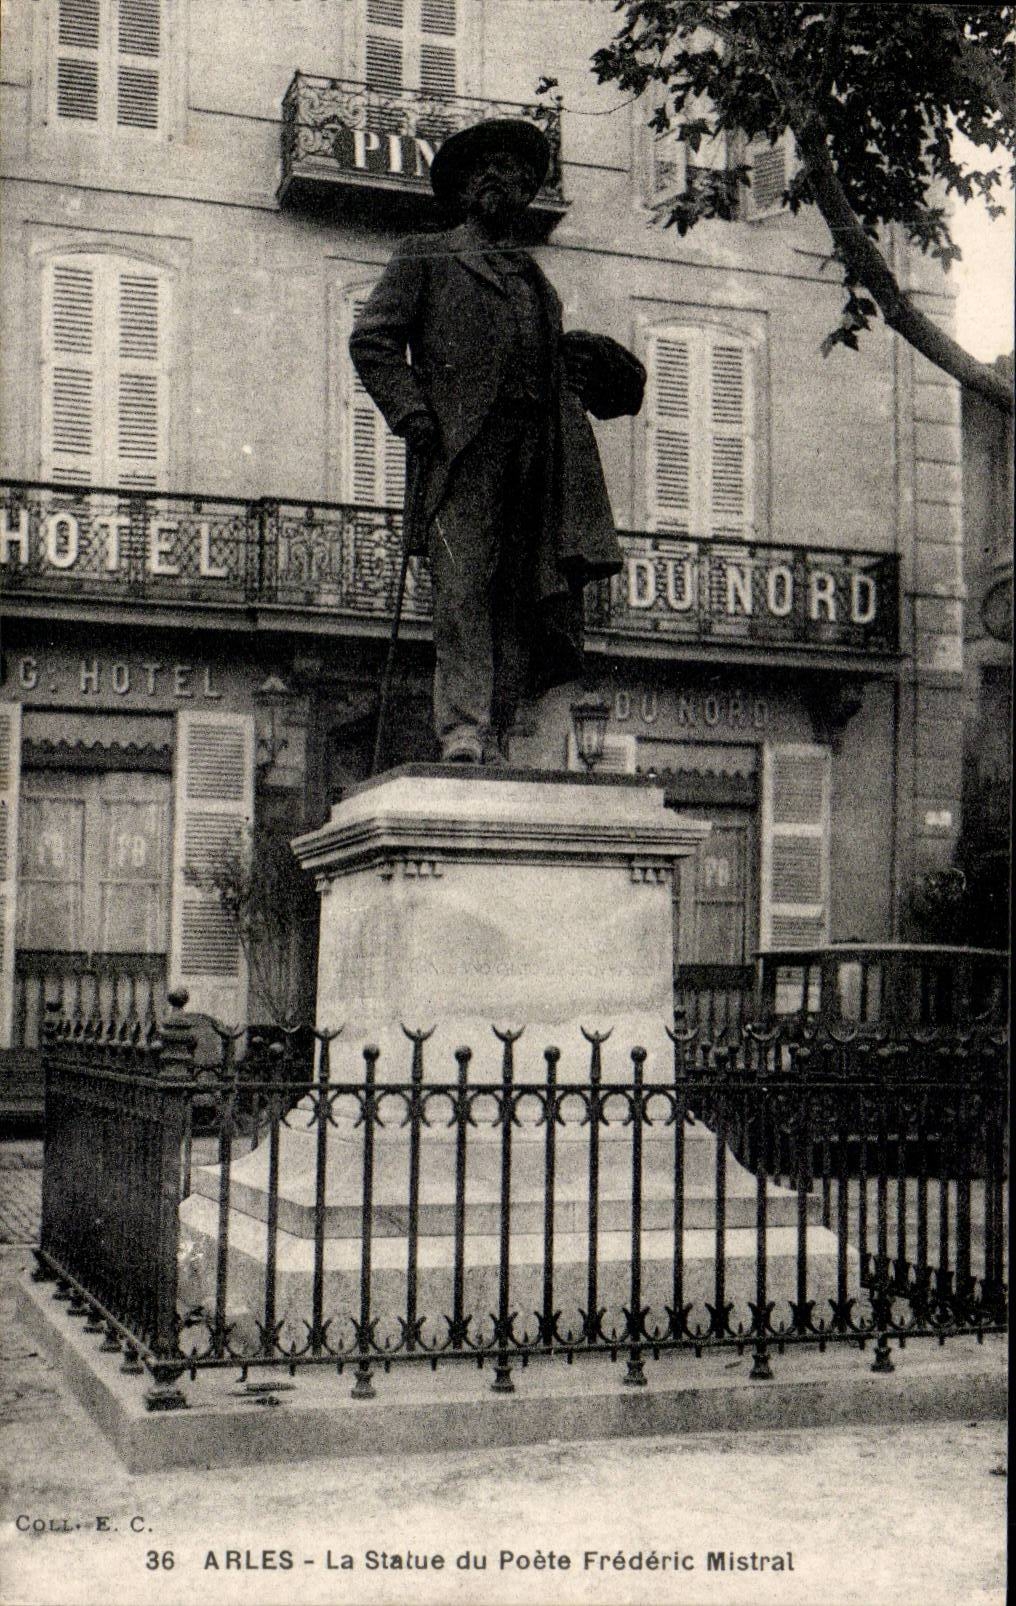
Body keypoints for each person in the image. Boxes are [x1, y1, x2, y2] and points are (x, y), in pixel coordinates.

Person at [349, 117, 644, 765]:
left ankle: (500, 731)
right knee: (462, 590)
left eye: (509, 170)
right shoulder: (424, 254)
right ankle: (461, 729)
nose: (493, 178)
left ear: (526, 190)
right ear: (460, 188)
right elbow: (371, 339)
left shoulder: (540, 285)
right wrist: (411, 411)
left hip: (534, 453)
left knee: (521, 592)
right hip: (461, 453)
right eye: (480, 169)